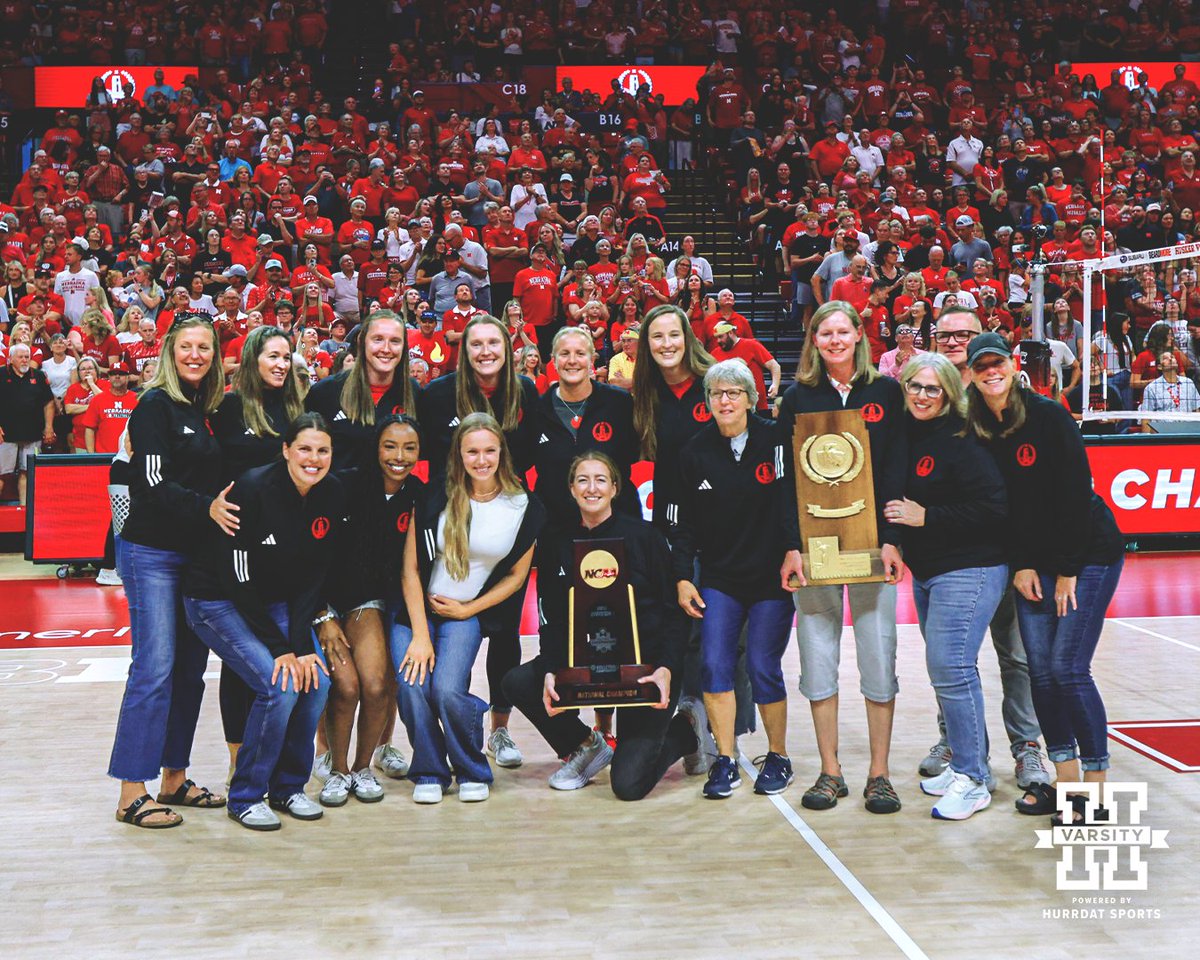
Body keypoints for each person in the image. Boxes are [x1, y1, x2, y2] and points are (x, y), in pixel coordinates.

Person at [963, 334, 1125, 824]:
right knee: (1043, 674)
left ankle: (1095, 797)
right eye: (981, 366)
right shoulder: (974, 426)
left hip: (1086, 554)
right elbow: (1000, 510)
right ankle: (1066, 784)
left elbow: (1076, 495)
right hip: (1032, 563)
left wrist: (1068, 569)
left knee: (1069, 669)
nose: (990, 372)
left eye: (997, 363)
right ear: (970, 373)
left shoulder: (1048, 415)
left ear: (1012, 366)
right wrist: (1022, 563)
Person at [183, 413, 342, 831]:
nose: (314, 458)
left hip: (274, 602)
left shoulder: (331, 492)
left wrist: (303, 647)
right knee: (279, 683)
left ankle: (288, 788)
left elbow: (314, 577)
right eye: (304, 448)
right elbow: (237, 580)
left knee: (316, 681)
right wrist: (282, 648)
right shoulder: (252, 488)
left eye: (322, 450)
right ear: (286, 450)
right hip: (216, 600)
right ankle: (246, 795)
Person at [502, 453, 695, 798]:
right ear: (572, 490)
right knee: (518, 681)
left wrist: (665, 668)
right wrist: (550, 669)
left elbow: (672, 612)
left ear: (615, 488)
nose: (592, 488)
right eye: (583, 480)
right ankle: (586, 744)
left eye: (601, 479)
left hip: (646, 666)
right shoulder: (556, 543)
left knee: (628, 785)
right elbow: (553, 619)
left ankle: (684, 730)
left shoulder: (645, 537)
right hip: (589, 662)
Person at [777, 300, 906, 815]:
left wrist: (894, 538)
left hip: (871, 540)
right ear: (814, 340)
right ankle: (830, 771)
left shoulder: (886, 392)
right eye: (823, 333)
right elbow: (786, 479)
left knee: (878, 654)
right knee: (818, 656)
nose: (833, 340)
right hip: (815, 546)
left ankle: (879, 773)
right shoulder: (796, 398)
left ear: (858, 334)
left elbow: (896, 468)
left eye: (841, 331)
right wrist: (791, 544)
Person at [918, 307, 1051, 789]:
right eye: (945, 334)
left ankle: (1027, 748)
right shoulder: (933, 403)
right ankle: (955, 742)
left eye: (964, 335)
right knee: (950, 656)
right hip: (955, 557)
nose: (953, 341)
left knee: (1016, 657)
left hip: (1013, 554)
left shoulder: (1012, 404)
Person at [109, 315, 232, 829]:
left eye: (205, 347)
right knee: (154, 666)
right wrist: (207, 507)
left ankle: (174, 779)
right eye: (187, 346)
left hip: (194, 555)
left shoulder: (205, 409)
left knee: (187, 671)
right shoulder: (155, 405)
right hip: (151, 552)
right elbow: (152, 482)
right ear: (170, 350)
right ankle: (131, 792)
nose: (196, 355)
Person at [393, 412, 546, 803]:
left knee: (446, 689)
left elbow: (515, 576)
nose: (481, 460)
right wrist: (421, 635)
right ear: (458, 454)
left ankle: (470, 767)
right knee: (412, 689)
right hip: (414, 614)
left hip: (464, 614)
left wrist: (470, 609)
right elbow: (410, 570)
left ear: (501, 452)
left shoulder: (522, 506)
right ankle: (430, 770)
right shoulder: (433, 496)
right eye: (472, 451)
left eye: (489, 451)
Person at [630, 303, 753, 773]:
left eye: (673, 335)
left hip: (726, 525)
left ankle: (730, 738)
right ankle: (690, 728)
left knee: (725, 633)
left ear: (688, 337)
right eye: (655, 337)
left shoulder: (715, 381)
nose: (665, 345)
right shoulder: (644, 395)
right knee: (680, 630)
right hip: (670, 527)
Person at [885, 354, 1009, 820]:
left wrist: (927, 517)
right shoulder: (909, 433)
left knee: (952, 668)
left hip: (971, 567)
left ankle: (975, 779)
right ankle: (967, 765)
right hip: (930, 570)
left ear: (951, 393)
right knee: (950, 671)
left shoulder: (964, 439)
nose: (920, 394)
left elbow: (996, 507)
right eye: (914, 385)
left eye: (932, 388)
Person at [418, 313, 540, 765]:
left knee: (505, 634)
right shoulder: (435, 395)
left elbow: (535, 459)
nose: (486, 352)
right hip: (451, 526)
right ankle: (447, 727)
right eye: (477, 344)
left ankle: (501, 732)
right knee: (453, 633)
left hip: (502, 525)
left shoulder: (525, 393)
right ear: (464, 350)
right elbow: (424, 458)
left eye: (494, 343)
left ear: (508, 349)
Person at [671, 360, 795, 799]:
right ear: (707, 401)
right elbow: (681, 525)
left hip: (770, 579)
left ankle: (778, 755)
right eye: (717, 393)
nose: (725, 400)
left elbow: (790, 503)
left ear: (750, 398)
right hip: (720, 578)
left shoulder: (775, 438)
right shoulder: (695, 451)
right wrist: (684, 577)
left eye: (734, 392)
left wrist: (794, 551)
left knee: (763, 666)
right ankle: (724, 759)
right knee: (715, 665)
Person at [209, 326, 307, 780]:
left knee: (287, 658)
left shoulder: (296, 409)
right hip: (238, 547)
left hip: (286, 551)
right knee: (241, 666)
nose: (281, 364)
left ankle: (282, 758)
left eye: (286, 356)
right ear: (253, 358)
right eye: (273, 355)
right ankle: (236, 761)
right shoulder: (228, 407)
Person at [315, 415, 424, 804]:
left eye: (409, 448)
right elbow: (311, 557)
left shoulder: (418, 496)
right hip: (321, 602)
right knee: (345, 686)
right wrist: (322, 614)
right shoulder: (343, 485)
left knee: (378, 685)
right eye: (390, 446)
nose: (399, 456)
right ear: (376, 448)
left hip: (368, 603)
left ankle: (361, 768)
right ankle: (336, 769)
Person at [304, 310, 417, 470]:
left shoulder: (415, 393)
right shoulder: (325, 392)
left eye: (395, 341)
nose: (386, 348)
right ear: (362, 342)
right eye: (377, 339)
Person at [0, 343, 56, 505]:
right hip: (6, 436)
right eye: (21, 357)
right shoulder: (1, 374)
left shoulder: (38, 376)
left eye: (27, 357)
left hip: (33, 434)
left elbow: (49, 403)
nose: (25, 360)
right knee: (2, 475)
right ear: (10, 359)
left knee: (28, 473)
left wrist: (49, 427)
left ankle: (26, 512)